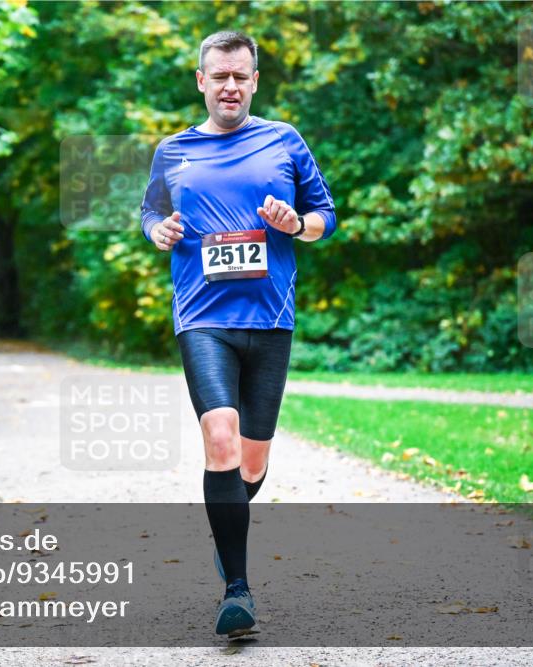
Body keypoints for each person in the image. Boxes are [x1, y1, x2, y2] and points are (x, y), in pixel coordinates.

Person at [139, 30, 337, 637]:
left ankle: (231, 526)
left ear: (254, 81)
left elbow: (324, 217)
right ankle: (238, 593)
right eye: (219, 75)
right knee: (218, 437)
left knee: (250, 465)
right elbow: (151, 211)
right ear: (201, 81)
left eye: (241, 76)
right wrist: (158, 232)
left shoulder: (284, 140)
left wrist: (296, 222)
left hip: (271, 319)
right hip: (202, 316)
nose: (230, 86)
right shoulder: (173, 151)